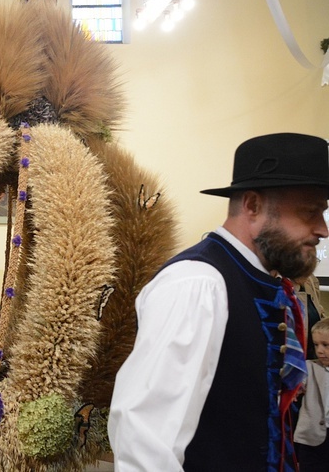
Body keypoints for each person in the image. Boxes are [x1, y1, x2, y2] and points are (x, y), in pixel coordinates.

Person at [108, 133, 329, 471]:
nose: (323, 229)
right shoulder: (197, 283)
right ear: (253, 206)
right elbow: (146, 441)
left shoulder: (260, 280)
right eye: (310, 212)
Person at [294, 318, 329, 470]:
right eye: (316, 345)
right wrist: (295, 389)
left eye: (326, 345)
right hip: (311, 440)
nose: (320, 350)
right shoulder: (309, 367)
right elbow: (297, 383)